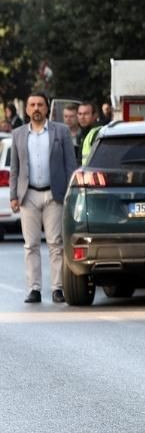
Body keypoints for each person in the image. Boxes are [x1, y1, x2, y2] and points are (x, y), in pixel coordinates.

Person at [9, 93, 77, 304]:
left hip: (54, 195)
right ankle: (34, 289)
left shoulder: (61, 132)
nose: (36, 108)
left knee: (55, 243)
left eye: (40, 104)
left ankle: (57, 288)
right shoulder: (18, 133)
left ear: (47, 109)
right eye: (32, 105)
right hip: (28, 195)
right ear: (27, 110)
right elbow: (15, 168)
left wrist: (70, 193)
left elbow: (70, 165)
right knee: (31, 245)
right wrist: (13, 195)